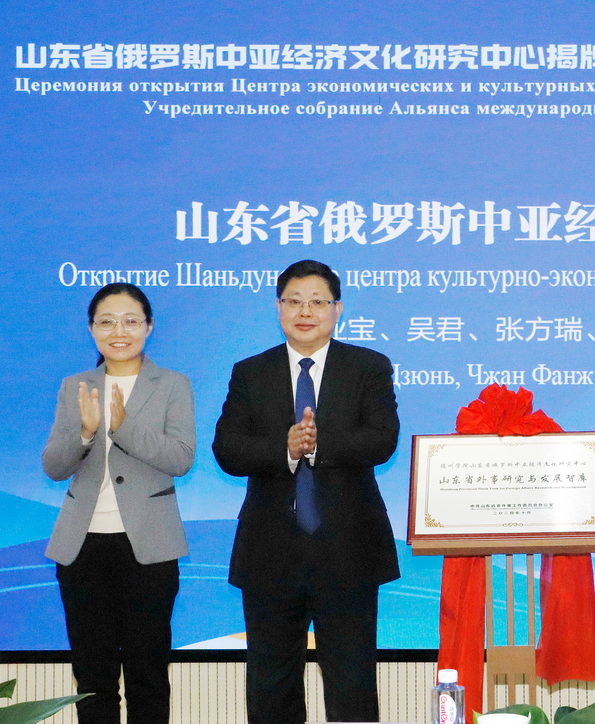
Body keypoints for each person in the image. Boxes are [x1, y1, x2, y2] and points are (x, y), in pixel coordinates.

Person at [212, 259, 400, 724]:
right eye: (294, 301)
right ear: (278, 308)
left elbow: (382, 439)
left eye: (318, 301)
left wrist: (318, 445)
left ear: (338, 309)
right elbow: (227, 449)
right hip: (269, 554)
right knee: (271, 688)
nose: (305, 311)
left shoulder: (368, 367)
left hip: (348, 552)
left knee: (352, 687)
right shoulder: (250, 372)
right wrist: (286, 449)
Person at [42, 283, 196, 724]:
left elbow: (181, 458)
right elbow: (53, 466)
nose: (119, 331)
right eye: (106, 322)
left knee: (148, 674)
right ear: (92, 329)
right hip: (82, 547)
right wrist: (86, 433)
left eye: (131, 321)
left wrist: (122, 427)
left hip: (149, 547)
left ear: (149, 326)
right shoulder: (75, 386)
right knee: (93, 678)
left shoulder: (173, 384)